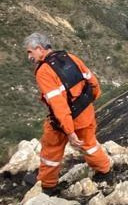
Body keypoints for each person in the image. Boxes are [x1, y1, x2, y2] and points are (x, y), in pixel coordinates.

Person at [23, 32, 112, 196]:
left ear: (39, 49)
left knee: (51, 150)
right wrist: (90, 101)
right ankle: (105, 172)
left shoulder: (44, 71)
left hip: (64, 121)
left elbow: (59, 105)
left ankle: (48, 186)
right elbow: (92, 81)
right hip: (85, 112)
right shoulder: (69, 57)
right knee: (90, 145)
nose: (29, 56)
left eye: (30, 51)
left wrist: (70, 131)